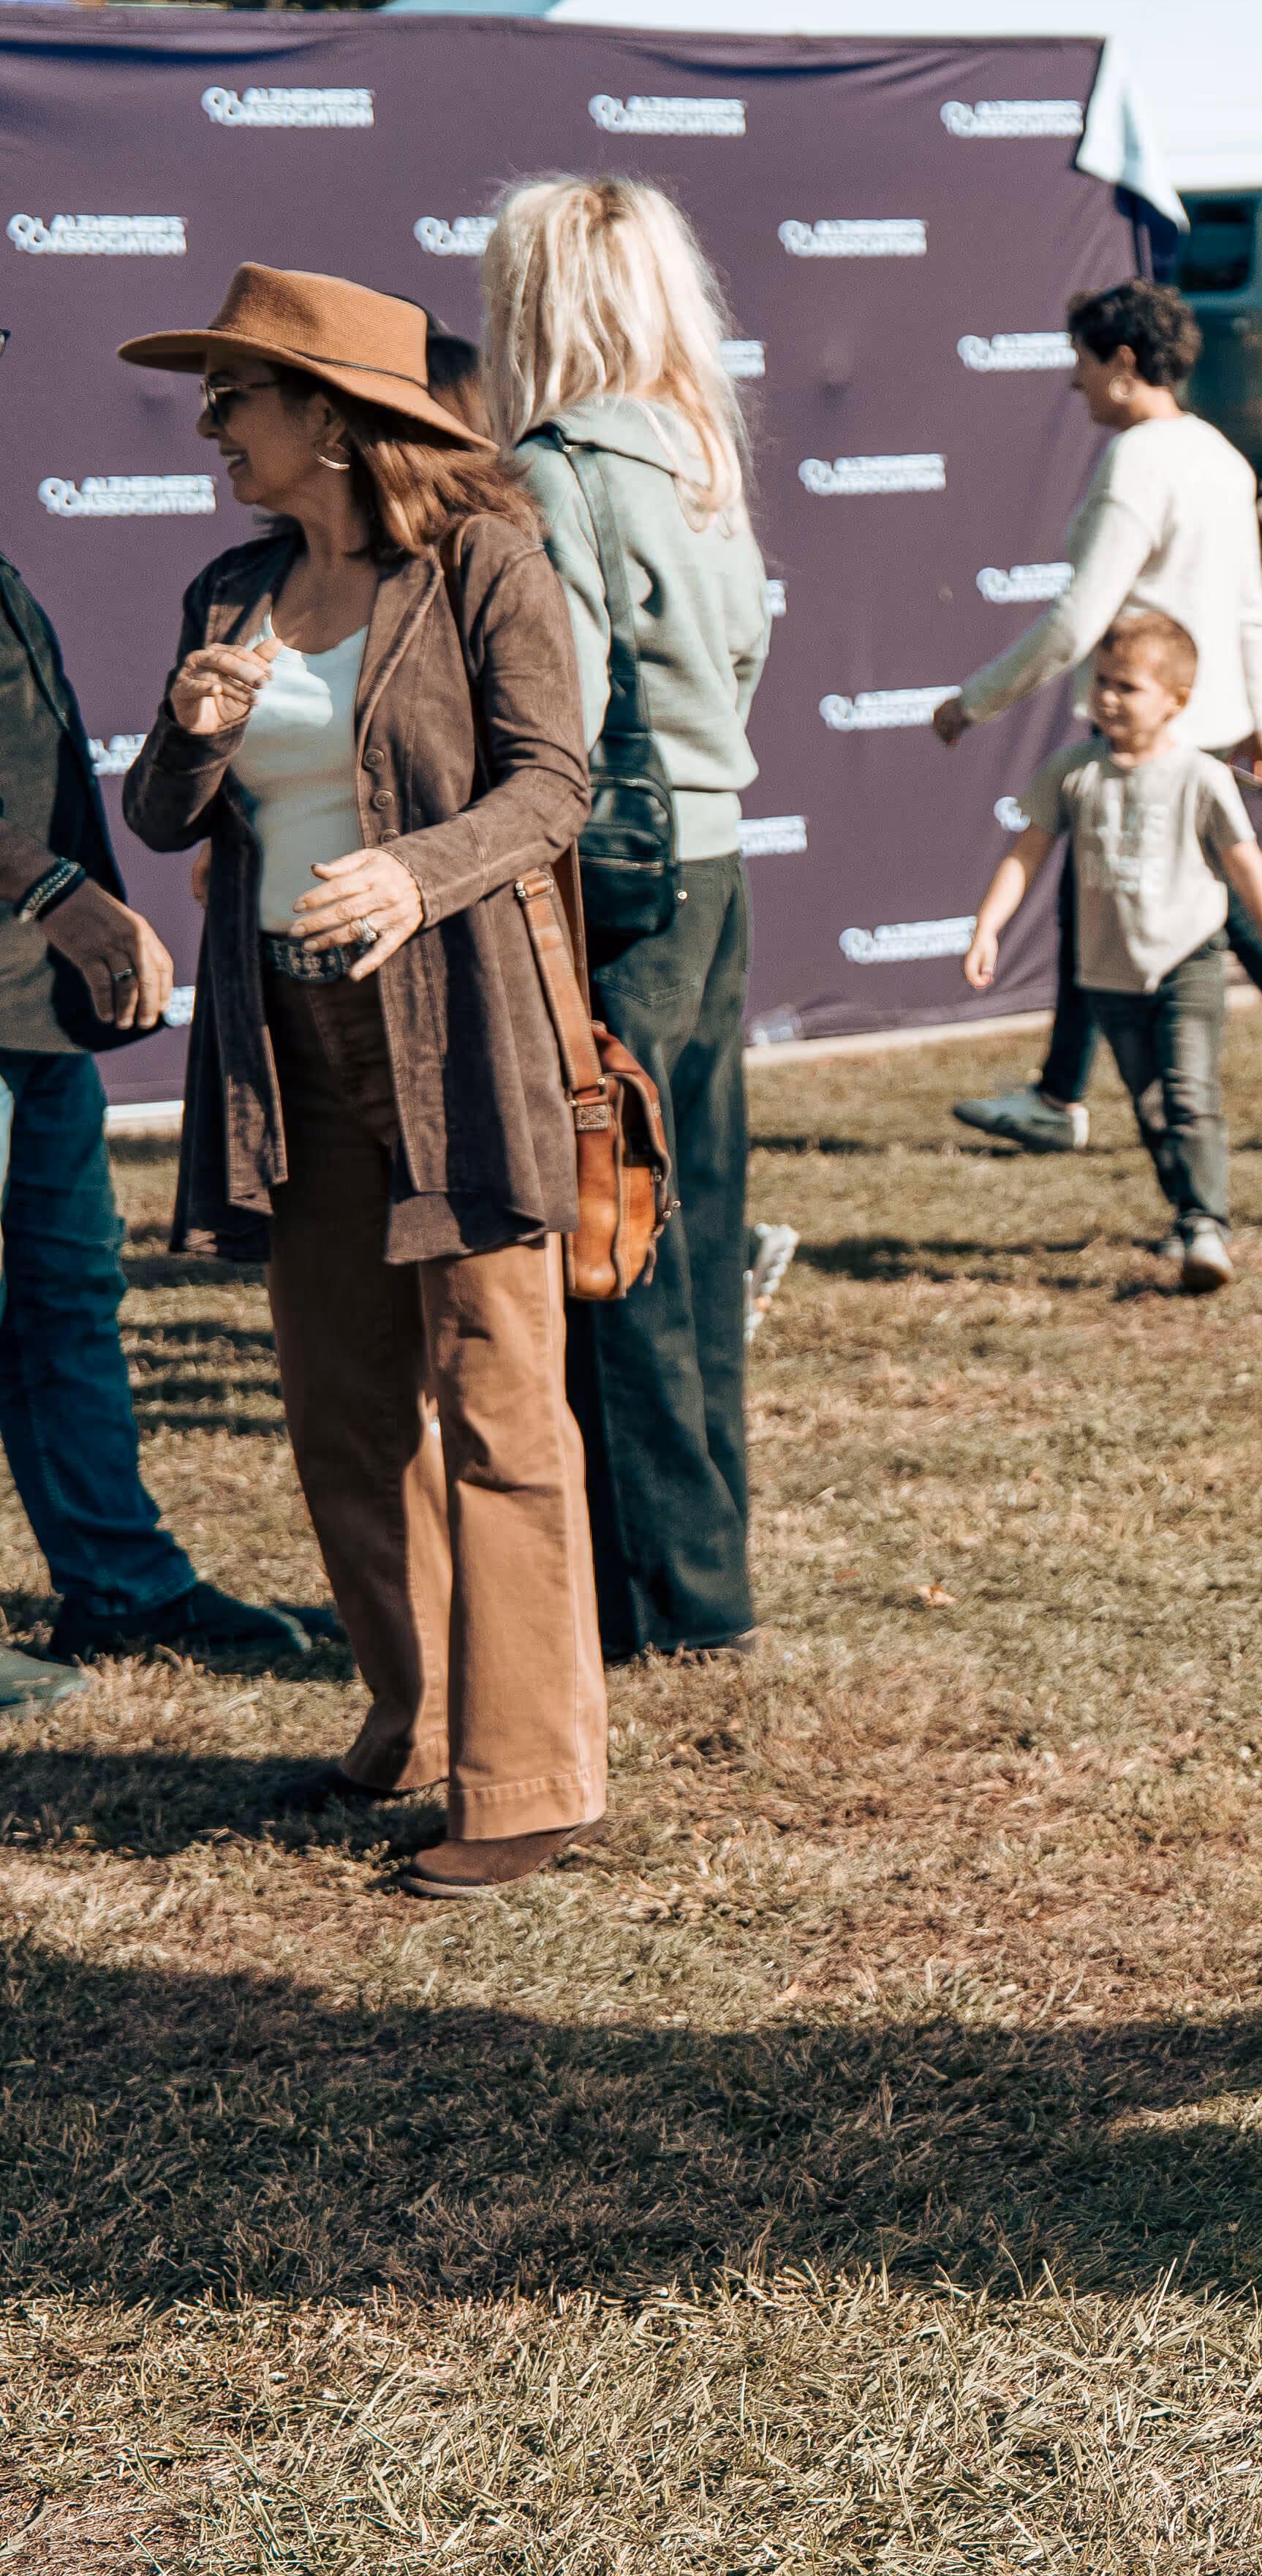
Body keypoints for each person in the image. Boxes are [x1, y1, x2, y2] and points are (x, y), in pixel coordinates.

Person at [116, 265, 608, 1897]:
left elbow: (554, 784)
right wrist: (191, 730)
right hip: (288, 1052)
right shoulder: (232, 583)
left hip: (460, 1041)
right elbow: (167, 819)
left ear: (328, 417)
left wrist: (415, 872)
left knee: (498, 1400)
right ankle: (405, 1715)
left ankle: (528, 1777)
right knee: (340, 1406)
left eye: (233, 399)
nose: (211, 431)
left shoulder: (488, 561)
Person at [485, 174, 775, 1665]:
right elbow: (751, 643)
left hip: (620, 886)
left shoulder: (557, 470)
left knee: (619, 1226)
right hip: (714, 867)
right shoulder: (696, 451)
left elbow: (554, 725)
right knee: (696, 1223)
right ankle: (701, 1568)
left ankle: (661, 1592)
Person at [936, 280, 1262, 1161]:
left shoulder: (1137, 464)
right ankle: (1057, 1096)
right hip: (1207, 728)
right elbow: (1248, 606)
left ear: (1121, 361)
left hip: (1156, 737)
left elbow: (1080, 619)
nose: (1074, 385)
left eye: (1082, 362)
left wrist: (975, 702)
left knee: (1223, 918)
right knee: (1106, 901)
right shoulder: (1221, 457)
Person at [0, 510, 320, 1715]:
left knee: (65, 1300)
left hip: (32, 1012)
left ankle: (121, 1585)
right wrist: (54, 889)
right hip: (30, 962)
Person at [959, 608, 1262, 1295]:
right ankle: (1187, 1212)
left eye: (1129, 686)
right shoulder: (1071, 771)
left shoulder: (1201, 779)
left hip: (1189, 962)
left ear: (1176, 702)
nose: (1109, 698)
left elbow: (1249, 872)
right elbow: (1025, 856)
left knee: (1190, 1093)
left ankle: (1207, 1225)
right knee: (1151, 1105)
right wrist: (988, 927)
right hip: (1108, 974)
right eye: (1102, 682)